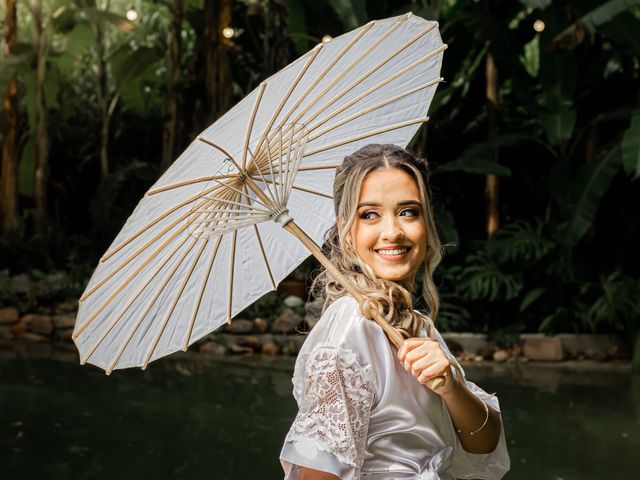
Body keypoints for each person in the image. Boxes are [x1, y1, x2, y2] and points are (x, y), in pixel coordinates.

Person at [279, 144, 510, 480]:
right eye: (369, 214)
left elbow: (484, 446)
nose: (392, 232)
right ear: (346, 229)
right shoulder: (350, 329)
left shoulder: (413, 324)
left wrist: (450, 387)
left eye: (408, 212)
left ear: (426, 221)